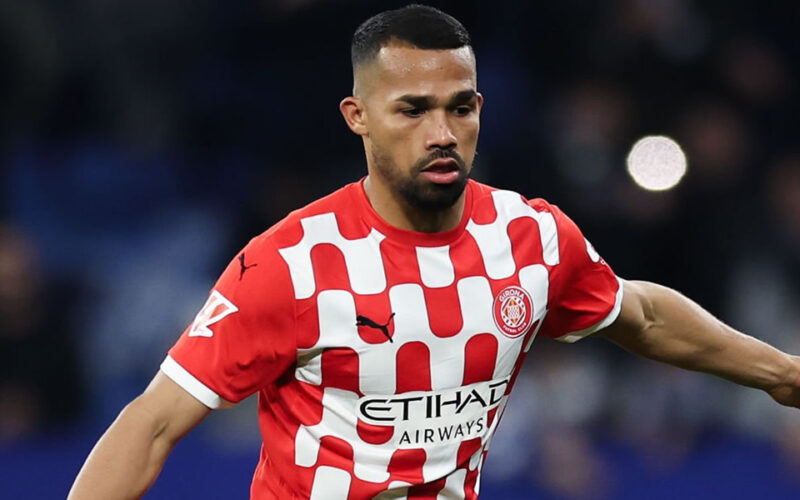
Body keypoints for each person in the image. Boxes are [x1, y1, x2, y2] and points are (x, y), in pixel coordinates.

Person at [68, 5, 800, 499]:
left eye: (460, 106)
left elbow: (640, 315)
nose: (442, 132)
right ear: (358, 117)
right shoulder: (291, 264)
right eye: (413, 110)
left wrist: (781, 373)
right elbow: (152, 423)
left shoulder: (532, 239)